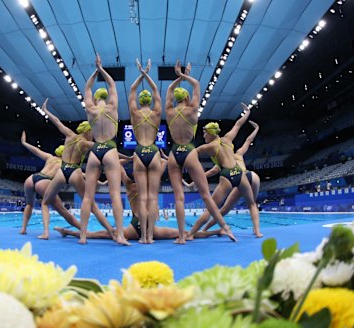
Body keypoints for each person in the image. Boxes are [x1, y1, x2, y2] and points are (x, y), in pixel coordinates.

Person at [55, 156, 221, 241]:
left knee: (101, 235)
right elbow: (163, 164)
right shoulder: (150, 185)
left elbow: (116, 165)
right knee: (184, 233)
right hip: (151, 228)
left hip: (135, 227)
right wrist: (161, 158)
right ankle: (215, 231)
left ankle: (68, 231)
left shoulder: (128, 185)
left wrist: (129, 159)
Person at [165, 60, 235, 244]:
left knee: (178, 198)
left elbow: (168, 93)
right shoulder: (192, 110)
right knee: (205, 195)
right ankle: (225, 227)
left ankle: (181, 237)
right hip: (188, 151)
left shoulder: (169, 111)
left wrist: (176, 77)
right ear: (187, 98)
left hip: (174, 153)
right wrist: (184, 75)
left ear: (175, 99)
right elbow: (196, 84)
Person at [38, 98, 114, 240]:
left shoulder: (69, 135)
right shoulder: (86, 143)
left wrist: (46, 110)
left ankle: (45, 233)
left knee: (45, 202)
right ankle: (111, 231)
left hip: (62, 171)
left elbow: (57, 121)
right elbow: (110, 149)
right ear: (88, 131)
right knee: (92, 206)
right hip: (74, 172)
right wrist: (128, 158)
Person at [186, 112, 263, 240]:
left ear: (210, 133)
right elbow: (238, 124)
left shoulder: (210, 146)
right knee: (251, 204)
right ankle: (258, 232)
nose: (203, 135)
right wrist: (248, 113)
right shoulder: (227, 139)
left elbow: (190, 153)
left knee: (211, 208)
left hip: (227, 176)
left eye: (205, 132)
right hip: (239, 173)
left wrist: (171, 159)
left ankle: (191, 234)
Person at [79, 54, 129, 245]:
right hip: (109, 148)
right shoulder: (112, 107)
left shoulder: (90, 109)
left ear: (95, 98)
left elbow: (87, 88)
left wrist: (94, 71)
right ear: (106, 97)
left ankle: (83, 237)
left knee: (87, 197)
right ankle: (121, 236)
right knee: (115, 194)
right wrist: (102, 69)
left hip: (95, 150)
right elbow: (112, 85)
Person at [19, 131, 81, 235]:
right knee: (63, 211)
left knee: (29, 204)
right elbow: (81, 175)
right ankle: (82, 229)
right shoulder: (66, 164)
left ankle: (23, 229)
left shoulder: (50, 157)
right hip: (44, 181)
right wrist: (100, 182)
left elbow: (36, 150)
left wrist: (24, 142)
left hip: (32, 178)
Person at [128, 58, 162, 243]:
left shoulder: (134, 113)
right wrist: (148, 74)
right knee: (152, 197)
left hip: (139, 151)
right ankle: (151, 235)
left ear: (140, 101)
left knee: (141, 198)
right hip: (154, 151)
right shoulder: (156, 114)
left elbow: (132, 90)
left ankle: (143, 237)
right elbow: (156, 91)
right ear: (150, 101)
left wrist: (141, 74)